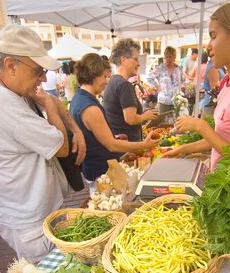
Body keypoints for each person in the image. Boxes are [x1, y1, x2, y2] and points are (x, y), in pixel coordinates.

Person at [0, 23, 85, 263]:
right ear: (10, 65)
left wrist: (73, 127)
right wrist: (49, 107)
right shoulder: (0, 102)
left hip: (29, 209)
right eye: (37, 70)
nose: (43, 77)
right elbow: (62, 147)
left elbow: (55, 106)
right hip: (30, 220)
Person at [163, 0, 230, 171]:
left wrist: (200, 125)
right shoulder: (227, 81)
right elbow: (220, 139)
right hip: (219, 178)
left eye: (213, 36)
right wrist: (183, 149)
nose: (208, 47)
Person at [70, 53, 158, 182]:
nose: (106, 81)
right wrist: (143, 145)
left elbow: (92, 135)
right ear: (94, 75)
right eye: (104, 76)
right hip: (101, 171)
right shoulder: (90, 108)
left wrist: (113, 136)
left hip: (93, 166)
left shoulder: (78, 98)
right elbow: (111, 145)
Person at [103, 38, 158, 141]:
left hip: (119, 142)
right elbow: (130, 119)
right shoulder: (124, 85)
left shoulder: (113, 80)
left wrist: (142, 113)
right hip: (128, 146)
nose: (139, 64)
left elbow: (119, 113)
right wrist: (145, 116)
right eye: (135, 59)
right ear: (123, 59)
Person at [147, 46, 186, 114]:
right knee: (163, 123)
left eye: (170, 56)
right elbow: (149, 78)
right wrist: (156, 86)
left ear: (174, 57)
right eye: (166, 57)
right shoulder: (160, 68)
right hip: (164, 102)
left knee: (177, 122)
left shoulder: (178, 68)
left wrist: (182, 90)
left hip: (176, 102)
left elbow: (183, 80)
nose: (168, 59)